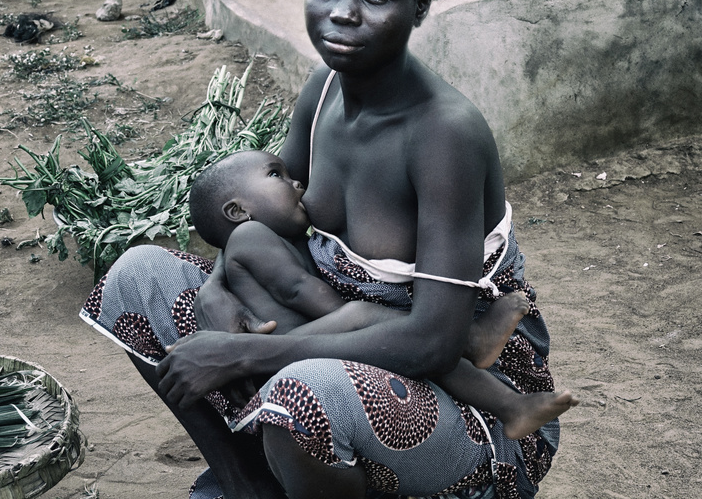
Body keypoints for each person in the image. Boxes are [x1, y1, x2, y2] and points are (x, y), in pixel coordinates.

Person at [81, 0, 569, 499]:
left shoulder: (445, 136)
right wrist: (224, 291)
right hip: (345, 340)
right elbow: (264, 225)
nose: (343, 12)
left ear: (420, 6)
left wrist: (244, 352)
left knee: (298, 390)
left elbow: (434, 339)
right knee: (137, 279)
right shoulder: (323, 91)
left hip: (473, 410)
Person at [188, 148, 576, 442]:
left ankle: (510, 406)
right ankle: (473, 343)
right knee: (370, 319)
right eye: (276, 175)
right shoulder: (249, 236)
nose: (296, 183)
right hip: (279, 355)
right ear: (237, 211)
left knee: (416, 348)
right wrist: (356, 317)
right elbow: (298, 289)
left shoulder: (266, 237)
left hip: (292, 353)